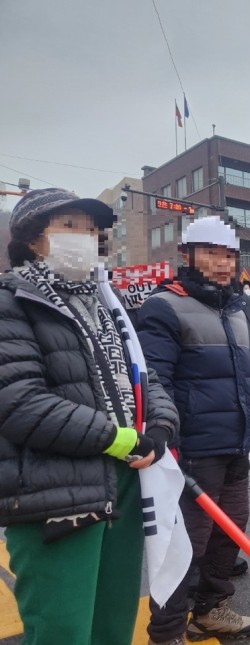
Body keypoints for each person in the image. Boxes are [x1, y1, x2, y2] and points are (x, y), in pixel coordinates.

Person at [0, 188, 178, 644]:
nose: (86, 237)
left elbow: (144, 375)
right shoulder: (10, 302)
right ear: (33, 240)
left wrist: (159, 427)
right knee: (63, 630)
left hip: (123, 483)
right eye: (70, 226)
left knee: (113, 624)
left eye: (92, 229)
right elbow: (18, 402)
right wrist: (120, 438)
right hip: (54, 494)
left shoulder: (106, 303)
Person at [137, 216, 250, 642]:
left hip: (236, 444)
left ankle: (210, 610)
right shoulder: (163, 306)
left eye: (229, 254)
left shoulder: (237, 306)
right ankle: (168, 630)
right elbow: (155, 380)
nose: (223, 263)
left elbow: (248, 363)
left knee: (229, 532)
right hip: (191, 450)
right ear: (187, 256)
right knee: (183, 547)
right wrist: (168, 440)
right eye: (212, 253)